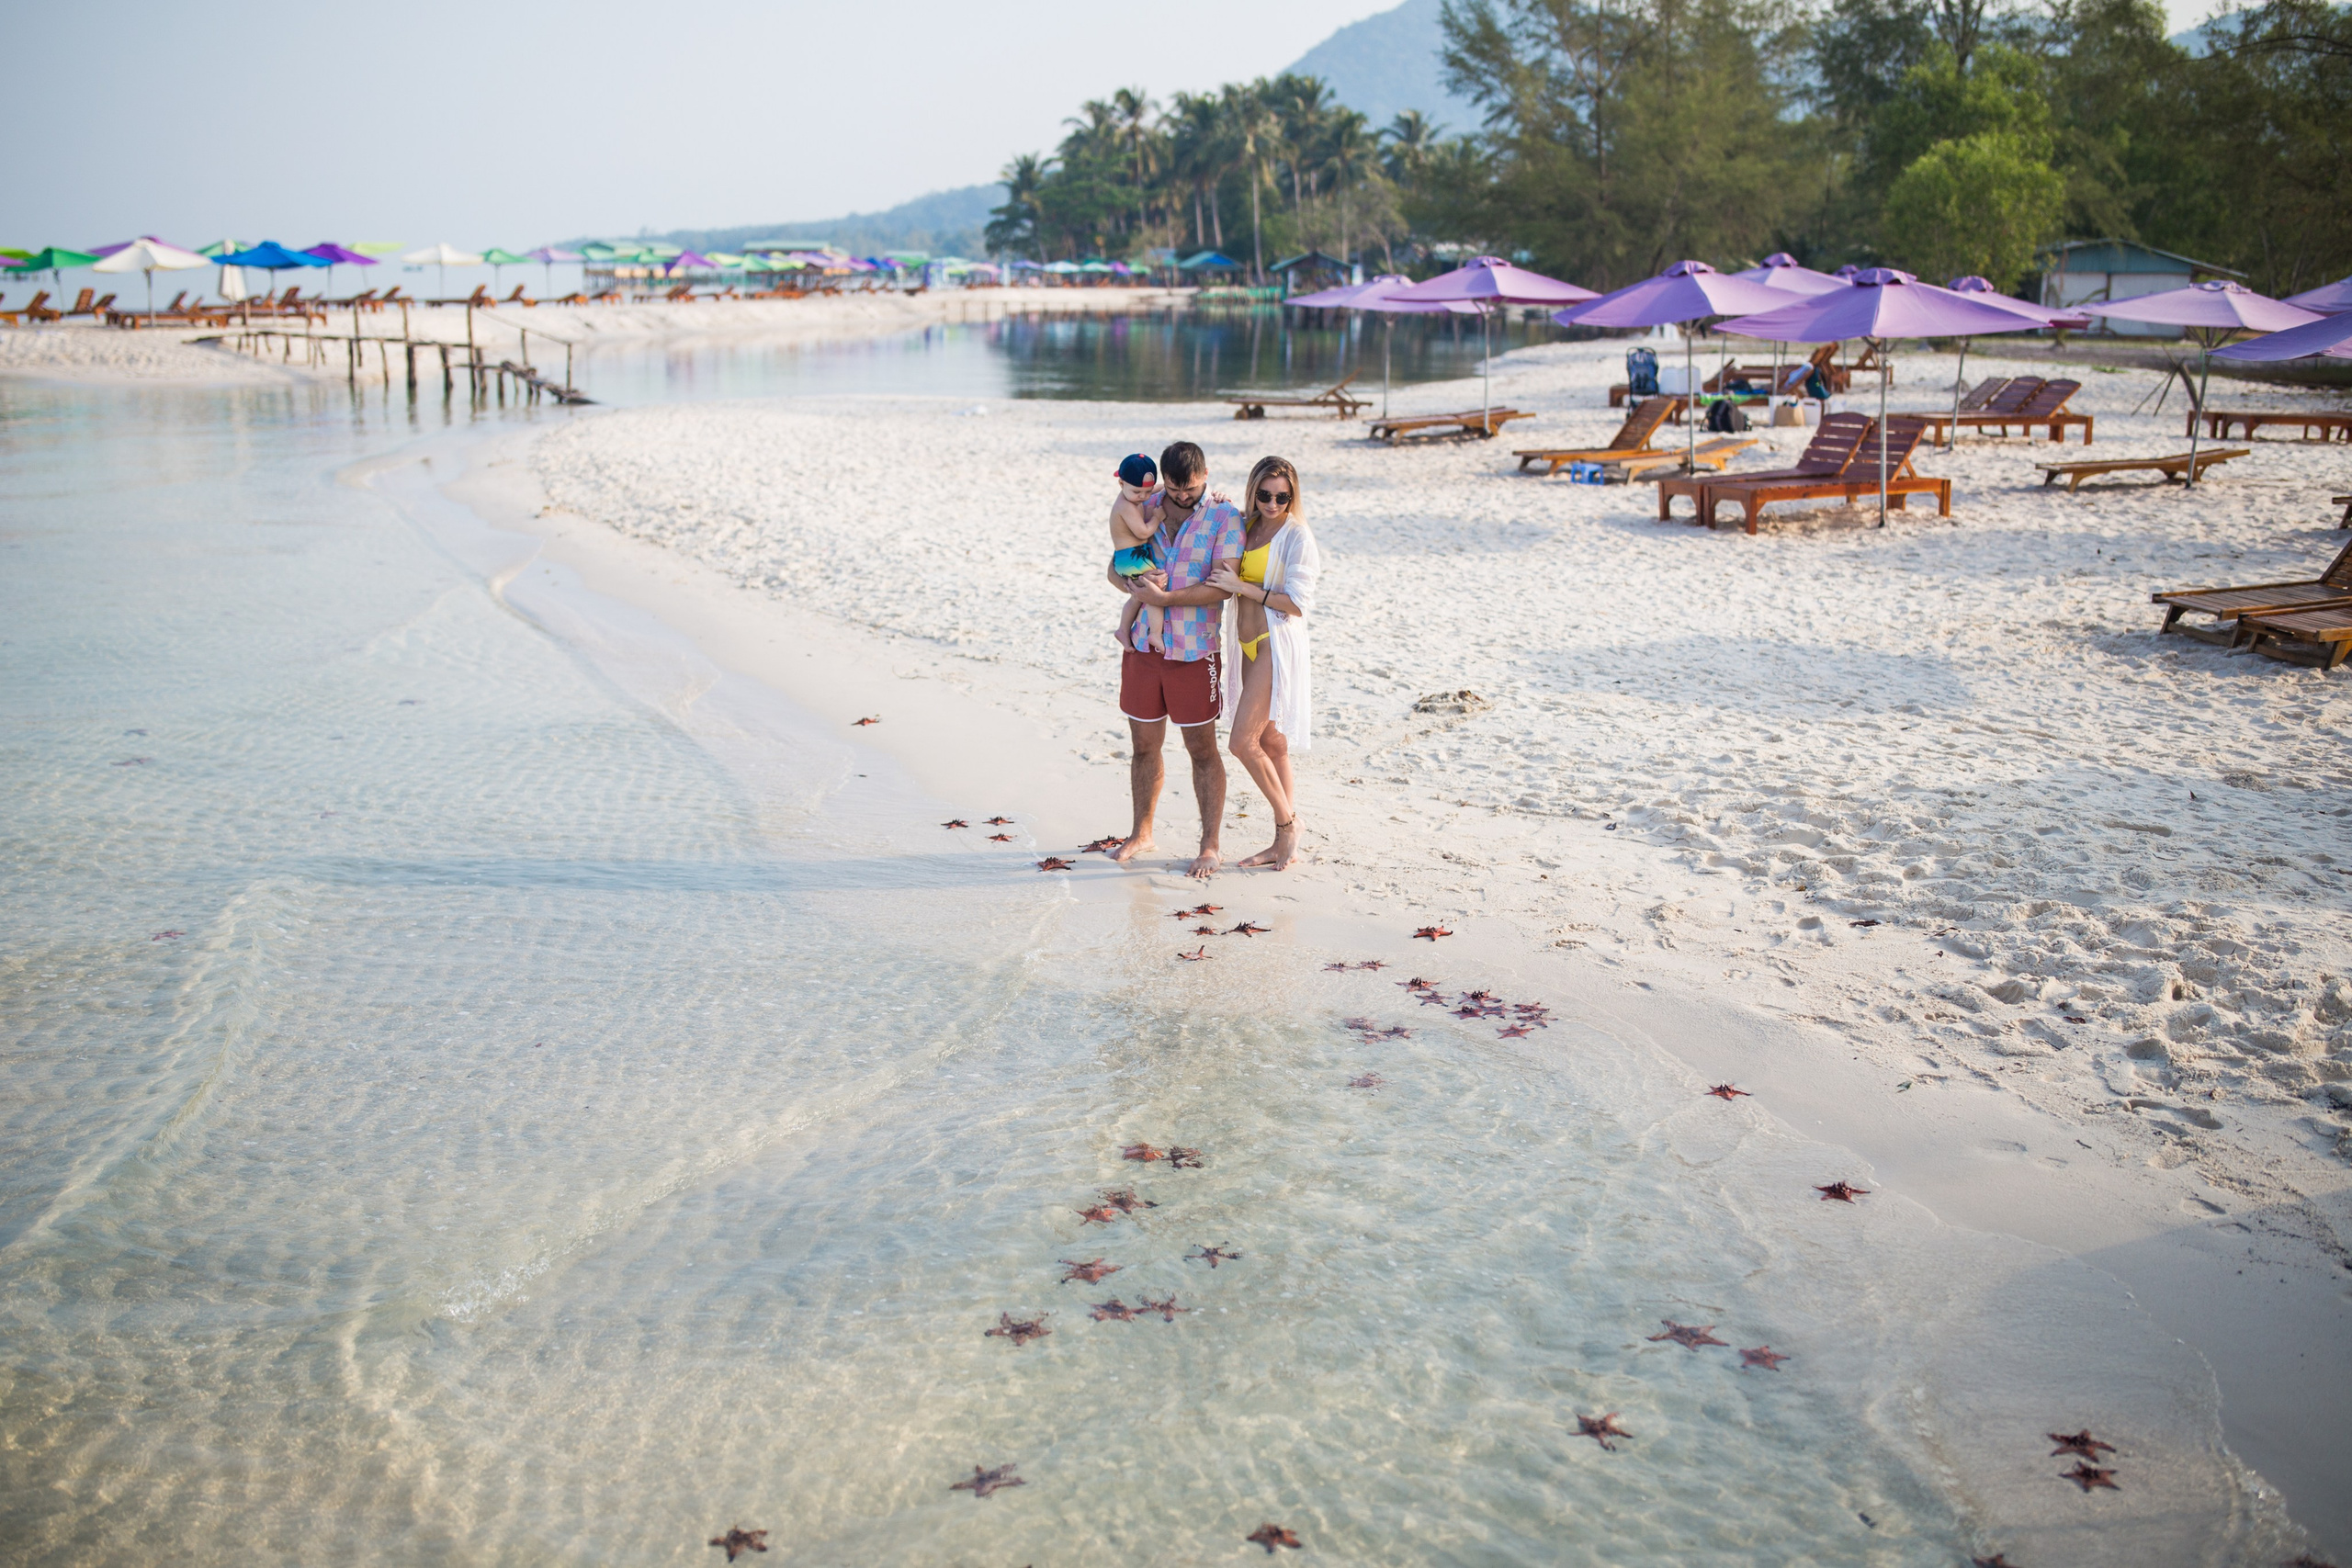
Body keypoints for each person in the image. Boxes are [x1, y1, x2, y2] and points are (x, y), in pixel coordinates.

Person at [1106, 440, 1244, 880]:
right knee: (1143, 746)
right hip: (1143, 648)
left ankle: (1209, 845)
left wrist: (1165, 598)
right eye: (1175, 488)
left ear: (1205, 476)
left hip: (1195, 650)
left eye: (1191, 488)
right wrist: (1133, 585)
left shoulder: (1224, 516)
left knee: (1201, 749)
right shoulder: (1145, 506)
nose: (1182, 496)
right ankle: (1141, 833)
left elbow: (1223, 586)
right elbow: (1113, 569)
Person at [1207, 456, 1318, 870]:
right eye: (1264, 495)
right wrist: (1217, 500)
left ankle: (1289, 825)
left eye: (1282, 497)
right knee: (1272, 743)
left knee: (1241, 743)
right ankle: (1280, 843)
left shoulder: (1297, 536)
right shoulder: (1245, 525)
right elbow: (1200, 505)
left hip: (1275, 644)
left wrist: (1242, 586)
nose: (1272, 504)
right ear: (1253, 492)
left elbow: (1298, 603)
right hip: (1246, 644)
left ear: (1293, 497)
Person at [1107, 452, 1166, 649]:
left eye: (1148, 492)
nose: (1143, 497)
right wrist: (1157, 518)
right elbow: (1143, 532)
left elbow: (1151, 488)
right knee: (1155, 590)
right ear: (1121, 483)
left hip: (1129, 556)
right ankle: (1155, 634)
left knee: (1137, 596)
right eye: (1137, 492)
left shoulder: (1131, 495)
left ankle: (1123, 630)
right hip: (1131, 558)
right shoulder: (1126, 506)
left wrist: (1167, 487)